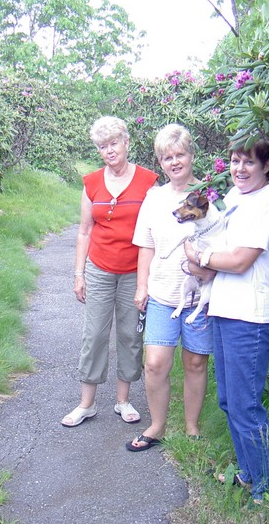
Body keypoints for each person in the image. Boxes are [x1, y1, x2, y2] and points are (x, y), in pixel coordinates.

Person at [184, 135, 269, 502]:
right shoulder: (235, 198)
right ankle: (249, 473)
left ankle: (268, 491)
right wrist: (200, 258)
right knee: (230, 400)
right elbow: (210, 247)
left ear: (266, 165)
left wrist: (200, 258)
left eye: (249, 162)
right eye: (234, 161)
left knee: (246, 404)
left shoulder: (268, 200)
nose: (240, 169)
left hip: (252, 316)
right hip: (226, 309)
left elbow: (241, 259)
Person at [61, 116, 158, 428]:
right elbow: (84, 231)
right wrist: (79, 274)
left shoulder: (148, 181)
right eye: (103, 146)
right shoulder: (91, 182)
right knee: (95, 335)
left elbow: (157, 230)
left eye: (114, 143)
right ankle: (86, 404)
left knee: (130, 336)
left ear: (126, 142)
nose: (109, 150)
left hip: (135, 272)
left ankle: (123, 400)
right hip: (100, 269)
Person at [126, 123, 212, 452]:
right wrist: (141, 285)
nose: (174, 162)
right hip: (163, 294)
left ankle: (192, 428)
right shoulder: (155, 198)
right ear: (160, 163)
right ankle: (157, 426)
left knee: (195, 363)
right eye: (166, 157)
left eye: (179, 155)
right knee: (155, 363)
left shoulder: (207, 195)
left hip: (200, 297)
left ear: (191, 155)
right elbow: (145, 244)